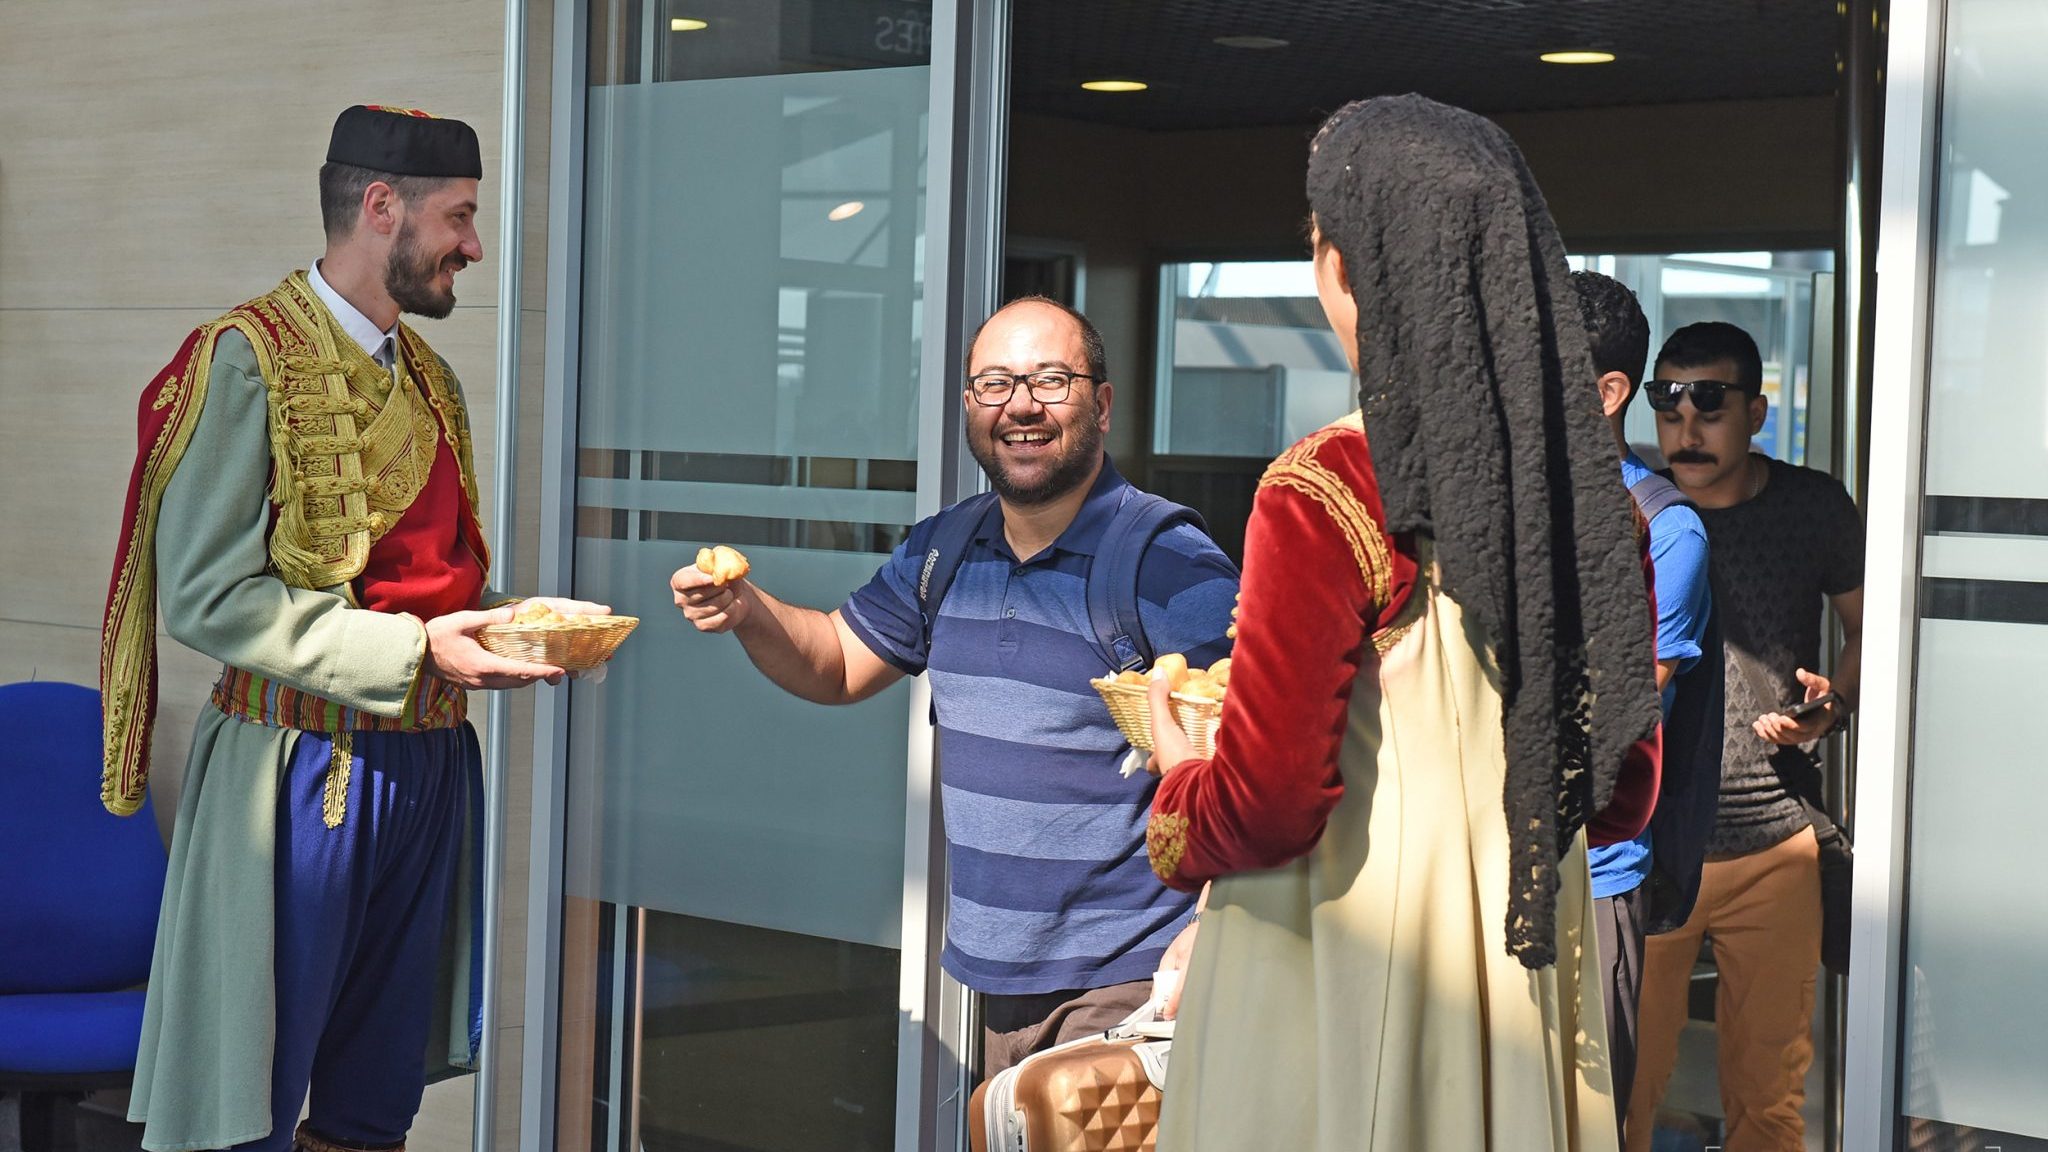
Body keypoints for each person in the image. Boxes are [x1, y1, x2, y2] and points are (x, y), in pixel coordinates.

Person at [1141, 95, 1661, 1152]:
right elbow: (1620, 793)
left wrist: (1179, 779)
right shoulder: (1590, 502)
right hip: (1518, 981)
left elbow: (1274, 798)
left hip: (1334, 967)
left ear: (1344, 265)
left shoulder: (1325, 482)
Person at [101, 105, 601, 1152]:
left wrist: (513, 623)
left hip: (426, 766)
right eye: (459, 217)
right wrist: (420, 649)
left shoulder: (431, 378)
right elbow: (203, 594)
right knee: (252, 1100)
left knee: (376, 1099)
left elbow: (429, 579)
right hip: (297, 770)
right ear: (382, 207)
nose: (473, 244)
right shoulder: (241, 358)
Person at [670, 296, 1238, 1078]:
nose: (1022, 407)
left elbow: (1254, 756)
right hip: (999, 984)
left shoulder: (1168, 561)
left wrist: (1210, 925)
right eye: (995, 384)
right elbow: (836, 660)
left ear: (1102, 406)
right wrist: (747, 610)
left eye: (1052, 380)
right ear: (969, 406)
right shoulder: (945, 550)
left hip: (1130, 981)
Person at [1625, 321, 1863, 1152]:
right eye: (1668, 401)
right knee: (1621, 1092)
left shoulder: (1814, 506)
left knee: (1770, 1102)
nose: (1686, 425)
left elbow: (1868, 632)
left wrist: (1829, 708)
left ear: (1756, 411)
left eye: (1711, 402)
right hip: (1649, 843)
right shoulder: (1633, 509)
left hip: (1776, 841)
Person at [1572, 271, 1723, 1139]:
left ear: (1607, 393)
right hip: (1467, 868)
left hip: (1591, 880)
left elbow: (1620, 715)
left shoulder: (1666, 529)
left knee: (1584, 1123)